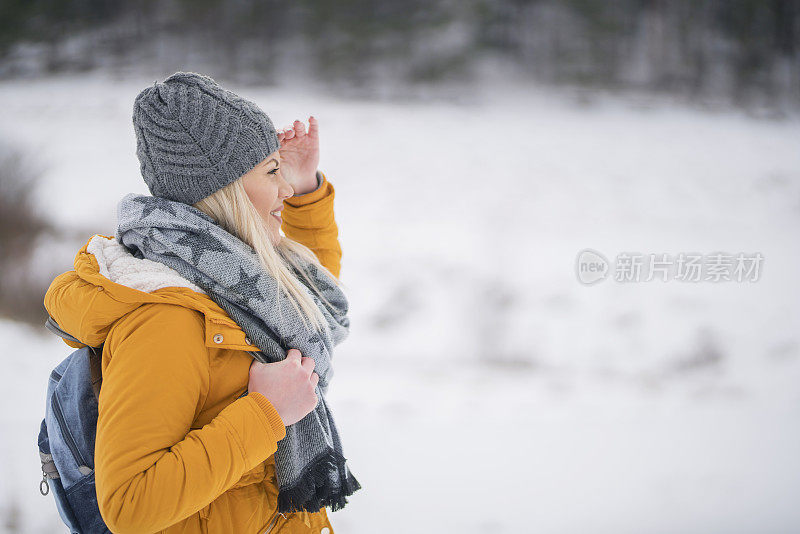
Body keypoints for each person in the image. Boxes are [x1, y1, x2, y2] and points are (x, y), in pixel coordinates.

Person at [43, 71, 359, 533]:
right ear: (224, 189)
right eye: (272, 172)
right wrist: (265, 414)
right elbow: (129, 505)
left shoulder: (233, 274)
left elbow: (307, 304)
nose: (285, 190)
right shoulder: (169, 318)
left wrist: (305, 186)